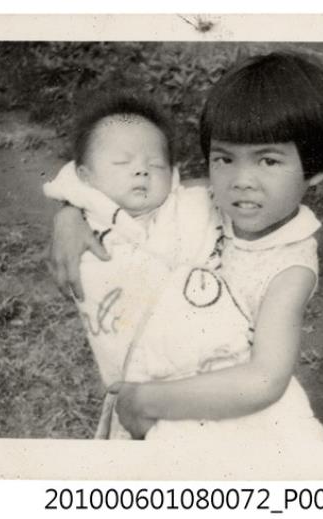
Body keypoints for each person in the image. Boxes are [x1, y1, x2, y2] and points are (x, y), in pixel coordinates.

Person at [50, 52, 323, 444]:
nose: (241, 180)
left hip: (212, 415)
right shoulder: (206, 199)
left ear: (316, 168)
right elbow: (112, 195)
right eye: (224, 158)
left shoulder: (290, 267)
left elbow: (265, 380)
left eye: (269, 161)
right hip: (154, 377)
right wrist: (69, 215)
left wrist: (145, 400)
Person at [44, 92, 247, 438]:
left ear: (173, 174)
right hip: (140, 388)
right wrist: (68, 212)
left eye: (155, 164)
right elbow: (67, 184)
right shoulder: (86, 228)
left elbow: (227, 189)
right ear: (85, 177)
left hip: (210, 375)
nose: (141, 170)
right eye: (122, 162)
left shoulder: (190, 208)